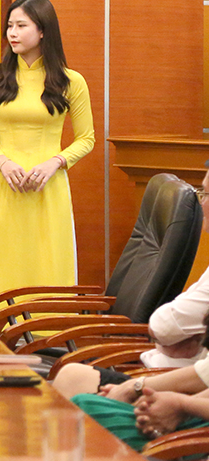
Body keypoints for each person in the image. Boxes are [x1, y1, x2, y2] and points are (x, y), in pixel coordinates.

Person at [0, 0, 94, 317]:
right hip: (6, 187)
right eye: (9, 26)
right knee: (3, 265)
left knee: (49, 264)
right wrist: (2, 161)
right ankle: (1, 335)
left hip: (49, 189)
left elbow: (87, 139)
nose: (12, 33)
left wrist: (56, 162)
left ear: (42, 31)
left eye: (21, 26)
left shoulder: (71, 81)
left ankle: (50, 335)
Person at [53, 167, 209, 399]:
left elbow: (163, 326)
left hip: (168, 386)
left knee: (71, 382)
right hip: (157, 374)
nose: (202, 203)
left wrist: (137, 387)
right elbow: (165, 325)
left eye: (205, 194)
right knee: (71, 377)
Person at [68, 337, 209, 451]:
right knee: (75, 381)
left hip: (198, 428)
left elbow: (163, 329)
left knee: (83, 405)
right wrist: (145, 396)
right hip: (186, 398)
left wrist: (182, 404)